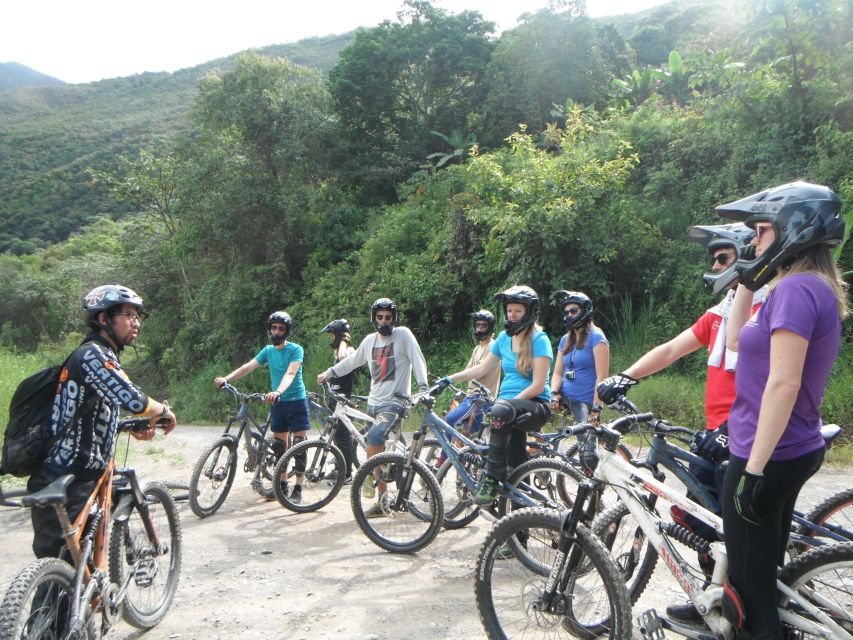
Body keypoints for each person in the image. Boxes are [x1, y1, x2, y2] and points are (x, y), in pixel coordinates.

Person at [596, 222, 764, 623]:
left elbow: (771, 381)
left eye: (721, 258)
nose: (714, 266)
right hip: (715, 436)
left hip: (746, 436)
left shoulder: (765, 308)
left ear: (743, 257)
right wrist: (627, 375)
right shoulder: (722, 314)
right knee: (700, 520)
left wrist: (730, 430)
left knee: (740, 533)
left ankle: (751, 613)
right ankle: (715, 596)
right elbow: (672, 348)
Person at [716, 181, 846, 639]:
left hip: (767, 454)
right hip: (789, 447)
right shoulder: (801, 288)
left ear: (794, 229)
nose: (753, 240)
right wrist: (747, 283)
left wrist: (752, 471)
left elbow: (784, 383)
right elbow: (735, 343)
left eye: (762, 230)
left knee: (753, 597)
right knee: (761, 573)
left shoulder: (795, 292)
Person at [28, 284, 177, 559]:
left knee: (75, 568)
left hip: (81, 473)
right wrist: (163, 412)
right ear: (103, 318)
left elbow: (96, 412)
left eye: (138, 316)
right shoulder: (91, 355)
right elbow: (133, 399)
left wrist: (133, 426)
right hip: (69, 475)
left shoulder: (104, 356)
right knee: (63, 573)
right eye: (129, 315)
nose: (136, 323)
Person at [436, 286, 552, 506]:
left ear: (529, 312)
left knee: (498, 411)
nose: (512, 315)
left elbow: (538, 386)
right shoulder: (502, 339)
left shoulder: (540, 339)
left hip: (536, 405)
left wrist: (507, 404)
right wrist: (449, 379)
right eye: (509, 311)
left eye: (517, 311)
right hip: (507, 408)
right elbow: (481, 369)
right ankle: (518, 529)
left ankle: (491, 477)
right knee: (516, 467)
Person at [316, 298, 429, 517]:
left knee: (375, 438)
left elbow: (418, 359)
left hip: (395, 402)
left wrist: (423, 387)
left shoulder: (403, 335)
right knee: (376, 449)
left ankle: (368, 476)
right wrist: (329, 373)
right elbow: (352, 362)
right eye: (380, 317)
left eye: (388, 318)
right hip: (373, 403)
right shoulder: (369, 341)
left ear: (394, 319)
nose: (384, 321)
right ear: (373, 318)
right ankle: (383, 500)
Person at [214, 311, 309, 504]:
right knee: (280, 447)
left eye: (281, 329)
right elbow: (248, 366)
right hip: (278, 404)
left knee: (299, 446)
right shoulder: (268, 351)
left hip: (296, 401)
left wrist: (278, 391)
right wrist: (227, 378)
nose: (276, 332)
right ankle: (282, 486)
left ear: (287, 331)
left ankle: (298, 487)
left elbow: (291, 373)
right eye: (274, 328)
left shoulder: (296, 349)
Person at [550, 290, 609, 469]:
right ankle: (542, 456)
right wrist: (554, 394)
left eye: (573, 311)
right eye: (566, 312)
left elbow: (602, 377)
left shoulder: (597, 338)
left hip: (585, 401)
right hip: (564, 395)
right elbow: (558, 372)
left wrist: (596, 410)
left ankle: (593, 485)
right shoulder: (565, 340)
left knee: (588, 455)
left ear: (585, 311)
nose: (569, 315)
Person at [444, 310, 501, 436]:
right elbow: (467, 371)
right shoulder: (477, 348)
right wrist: (449, 380)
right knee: (471, 435)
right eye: (477, 325)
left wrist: (450, 378)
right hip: (471, 397)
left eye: (484, 326)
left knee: (450, 420)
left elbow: (477, 373)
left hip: (480, 399)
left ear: (490, 327)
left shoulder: (492, 347)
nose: (480, 329)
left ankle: (445, 455)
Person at [320, 318, 357, 483]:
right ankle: (339, 468)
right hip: (334, 400)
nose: (331, 338)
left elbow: (343, 358)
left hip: (343, 401)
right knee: (335, 436)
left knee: (343, 438)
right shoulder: (337, 352)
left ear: (339, 335)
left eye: (332, 335)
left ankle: (347, 474)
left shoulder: (349, 350)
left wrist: (344, 340)